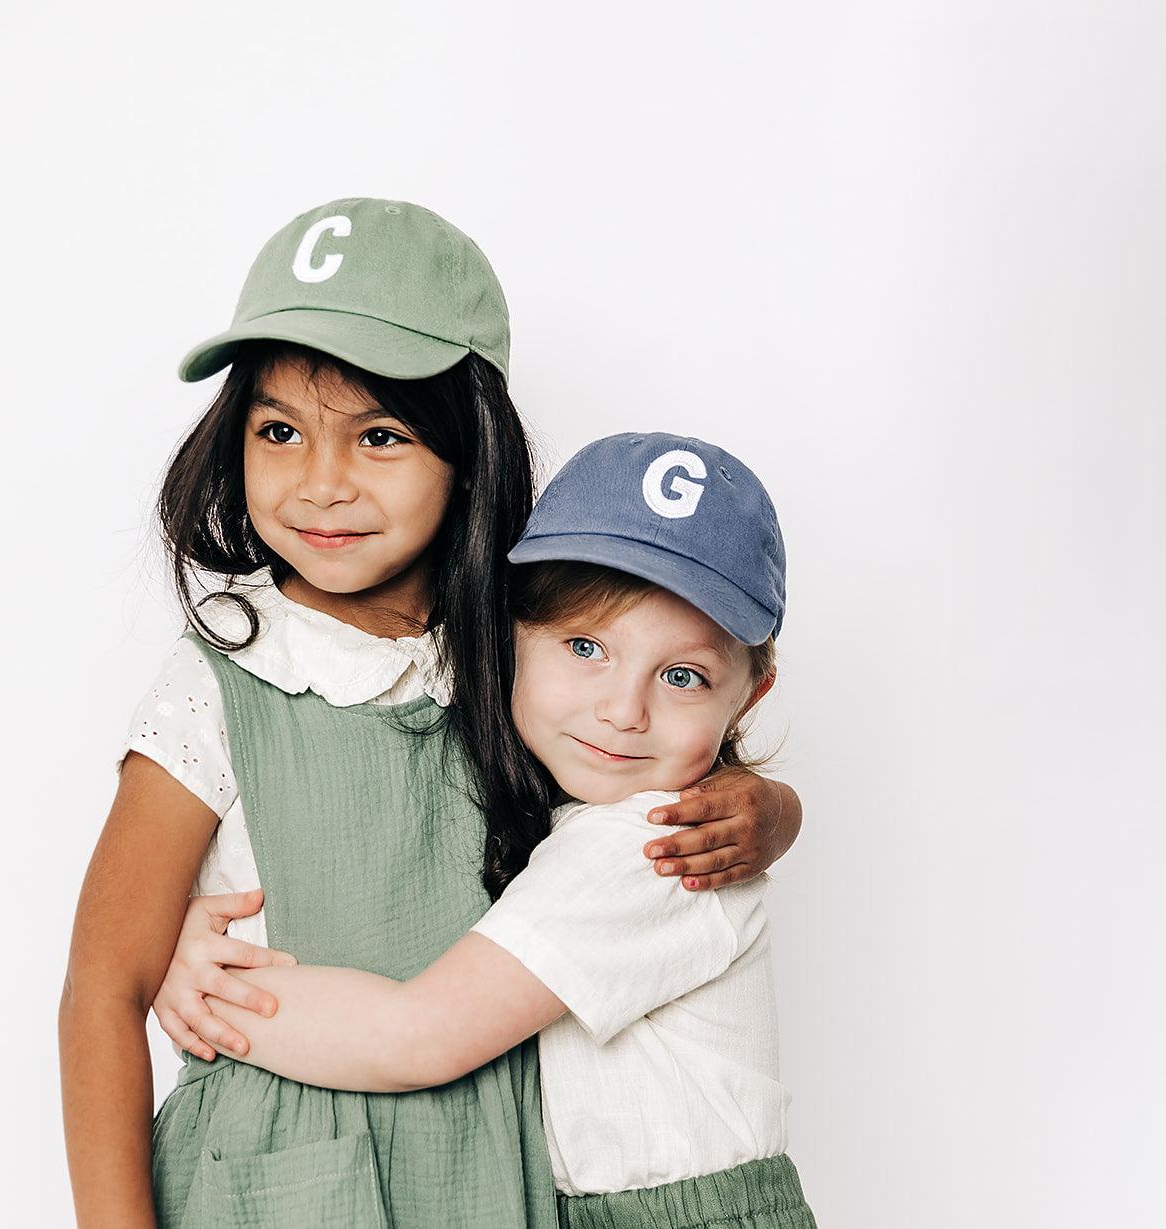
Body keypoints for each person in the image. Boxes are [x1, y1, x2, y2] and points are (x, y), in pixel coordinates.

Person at [58, 198, 803, 1228]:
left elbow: (650, 768)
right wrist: (170, 951)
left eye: (380, 436)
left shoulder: (526, 654)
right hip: (276, 1177)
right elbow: (103, 983)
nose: (322, 484)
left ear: (470, 451)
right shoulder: (221, 676)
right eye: (278, 430)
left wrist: (768, 806)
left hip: (494, 1174)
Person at [156, 433, 817, 1229]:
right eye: (586, 646)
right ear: (510, 631)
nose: (623, 710)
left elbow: (418, 1037)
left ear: (749, 697)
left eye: (683, 676)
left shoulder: (652, 844)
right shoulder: (570, 805)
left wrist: (201, 986)